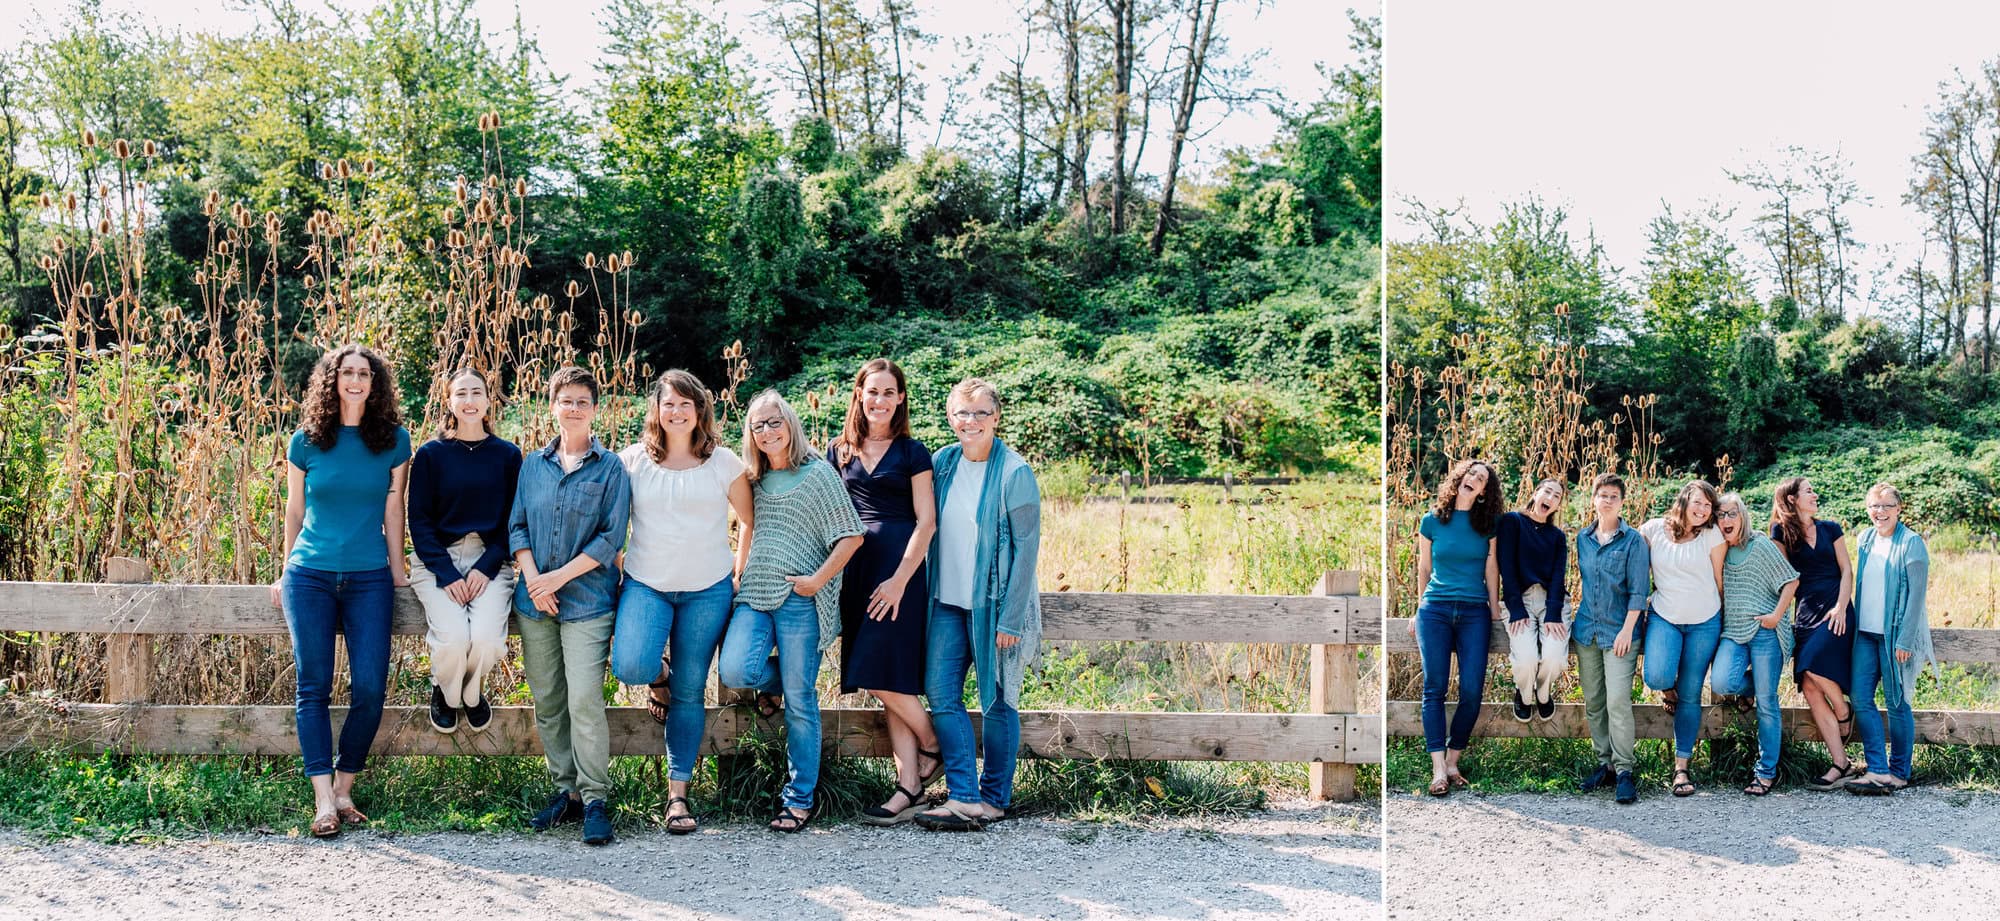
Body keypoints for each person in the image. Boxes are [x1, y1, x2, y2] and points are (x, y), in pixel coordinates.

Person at [268, 344, 412, 839]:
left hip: (369, 576)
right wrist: (286, 570)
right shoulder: (305, 440)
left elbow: (395, 511)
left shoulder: (393, 440)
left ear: (375, 384)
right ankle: (323, 799)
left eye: (364, 374)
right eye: (346, 372)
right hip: (310, 575)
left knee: (370, 688)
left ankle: (346, 786)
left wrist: (397, 569)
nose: (355, 380)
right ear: (331, 380)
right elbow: (294, 511)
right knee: (313, 686)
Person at [717, 390, 865, 833]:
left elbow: (851, 536)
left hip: (802, 598)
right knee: (736, 670)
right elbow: (749, 525)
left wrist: (818, 579)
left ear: (790, 424)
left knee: (801, 702)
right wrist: (739, 571)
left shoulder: (818, 475)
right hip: (756, 593)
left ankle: (799, 798)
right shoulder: (753, 478)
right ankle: (781, 680)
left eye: (774, 422)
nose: (767, 431)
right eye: (758, 425)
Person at [610, 370, 751, 834]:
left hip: (707, 590)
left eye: (685, 404)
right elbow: (609, 522)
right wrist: (616, 563)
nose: (676, 411)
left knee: (691, 692)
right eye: (668, 403)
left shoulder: (724, 463)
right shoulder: (630, 461)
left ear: (700, 410)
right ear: (656, 409)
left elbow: (749, 521)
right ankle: (659, 677)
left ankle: (678, 797)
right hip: (646, 584)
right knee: (631, 664)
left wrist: (738, 570)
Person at [914, 378, 1043, 832]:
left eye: (980, 413)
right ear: (951, 417)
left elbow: (1026, 550)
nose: (970, 422)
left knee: (997, 700)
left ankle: (994, 799)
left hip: (992, 609)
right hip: (946, 603)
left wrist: (1010, 618)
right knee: (942, 693)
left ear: (996, 417)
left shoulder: (1014, 472)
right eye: (961, 414)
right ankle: (963, 796)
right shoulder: (943, 463)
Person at [509, 366, 631, 846]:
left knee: (584, 699)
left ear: (594, 409)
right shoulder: (532, 465)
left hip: (587, 601)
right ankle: (566, 793)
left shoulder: (611, 468)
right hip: (534, 602)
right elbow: (517, 527)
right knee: (549, 701)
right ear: (553, 407)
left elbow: (610, 538)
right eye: (566, 400)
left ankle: (596, 797)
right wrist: (535, 580)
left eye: (583, 401)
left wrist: (557, 578)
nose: (574, 408)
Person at [825, 359, 943, 826]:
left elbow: (927, 521)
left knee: (879, 675)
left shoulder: (914, 453)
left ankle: (936, 746)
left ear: (900, 399)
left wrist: (899, 579)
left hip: (901, 573)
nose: (879, 400)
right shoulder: (840, 452)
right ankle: (909, 785)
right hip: (856, 572)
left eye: (888, 392)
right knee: (891, 680)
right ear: (859, 395)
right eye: (871, 391)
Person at [407, 368, 522, 736]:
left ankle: (469, 695)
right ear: (450, 402)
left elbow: (514, 521)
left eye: (477, 393)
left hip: (491, 560)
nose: (469, 401)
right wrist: (447, 573)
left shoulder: (508, 455)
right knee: (454, 639)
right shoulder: (430, 455)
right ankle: (446, 691)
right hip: (437, 560)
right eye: (461, 394)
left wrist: (485, 568)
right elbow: (419, 522)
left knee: (487, 639)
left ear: (489, 400)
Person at [1410, 458, 1502, 798]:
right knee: (1434, 688)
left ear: (1482, 492)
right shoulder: (1432, 520)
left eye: (1481, 480)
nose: (1474, 480)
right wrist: (1418, 608)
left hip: (1474, 612)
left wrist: (1494, 608)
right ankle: (1437, 769)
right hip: (1435, 610)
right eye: (1471, 474)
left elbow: (1492, 568)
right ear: (1459, 478)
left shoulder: (1487, 524)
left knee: (1472, 692)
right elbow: (1424, 568)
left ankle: (1453, 759)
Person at [1638, 480, 1725, 797]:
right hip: (1665, 615)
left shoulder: (1712, 535)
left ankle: (1681, 768)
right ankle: (1668, 692)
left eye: (1708, 506)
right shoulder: (1652, 530)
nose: (1702, 510)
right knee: (1657, 674)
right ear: (1684, 500)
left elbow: (1719, 580)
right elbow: (1632, 563)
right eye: (1698, 502)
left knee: (1691, 694)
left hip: (1704, 621)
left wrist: (1726, 621)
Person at [1847, 483, 1936, 795]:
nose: (1879, 512)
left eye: (1886, 506)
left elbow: (1916, 598)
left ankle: (1899, 771)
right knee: (1860, 697)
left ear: (1899, 509)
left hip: (1894, 637)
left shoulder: (1911, 544)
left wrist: (1905, 640)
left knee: (1897, 703)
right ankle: (1877, 769)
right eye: (1874, 505)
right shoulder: (1865, 539)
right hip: (1865, 635)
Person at [1771, 477, 1859, 790]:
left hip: (1836, 607)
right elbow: (1781, 575)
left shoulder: (1831, 528)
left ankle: (1844, 709)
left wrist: (1840, 607)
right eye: (1808, 491)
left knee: (1810, 663)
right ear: (1792, 498)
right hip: (1805, 610)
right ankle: (1841, 763)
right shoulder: (1781, 532)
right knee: (1808, 686)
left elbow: (1847, 569)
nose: (1815, 494)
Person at [1709, 492, 1799, 796]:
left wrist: (1776, 615)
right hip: (1733, 632)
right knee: (1723, 682)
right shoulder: (1718, 549)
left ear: (1743, 516)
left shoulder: (1759, 545)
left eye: (1731, 514)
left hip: (1765, 631)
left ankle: (1766, 771)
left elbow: (1791, 580)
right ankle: (1752, 690)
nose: (1726, 520)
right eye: (1720, 515)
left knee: (1767, 701)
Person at [1571, 472, 1649, 804]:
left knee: (1618, 701)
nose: (1607, 500)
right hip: (1586, 629)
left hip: (1621, 633)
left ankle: (1625, 770)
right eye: (1602, 495)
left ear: (1622, 502)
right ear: (1593, 499)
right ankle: (1604, 764)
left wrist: (1628, 630)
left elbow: (1638, 591)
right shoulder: (1582, 539)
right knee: (1594, 701)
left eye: (1614, 496)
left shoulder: (1633, 541)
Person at [1497, 479, 1569, 722]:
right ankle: (1525, 695)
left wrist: (1554, 613)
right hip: (1520, 600)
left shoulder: (1557, 536)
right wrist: (1516, 609)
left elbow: (1560, 575)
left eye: (1556, 496)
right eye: (1547, 491)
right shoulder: (1512, 522)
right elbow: (1505, 565)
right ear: (1536, 493)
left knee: (1555, 656)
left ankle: (1544, 693)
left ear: (1558, 505)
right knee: (1526, 658)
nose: (1550, 497)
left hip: (1553, 602)